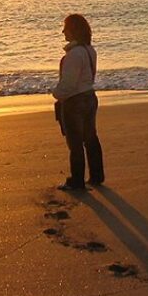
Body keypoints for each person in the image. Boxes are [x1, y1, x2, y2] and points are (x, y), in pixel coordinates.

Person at [52, 13, 104, 190]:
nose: (63, 31)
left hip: (75, 101)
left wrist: (56, 94)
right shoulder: (90, 50)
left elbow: (68, 84)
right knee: (90, 137)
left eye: (65, 28)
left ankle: (77, 180)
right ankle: (97, 176)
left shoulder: (74, 54)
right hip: (89, 96)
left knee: (75, 142)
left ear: (73, 30)